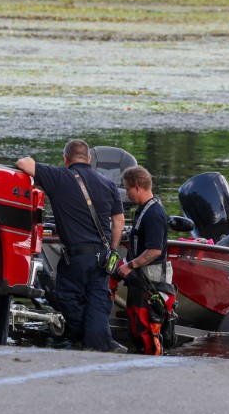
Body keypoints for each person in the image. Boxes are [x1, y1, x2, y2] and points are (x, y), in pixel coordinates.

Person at [17, 140, 126, 353]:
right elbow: (119, 221)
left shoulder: (59, 176)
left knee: (66, 296)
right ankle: (98, 342)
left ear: (65, 159)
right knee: (98, 300)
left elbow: (24, 163)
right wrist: (112, 250)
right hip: (102, 256)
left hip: (77, 257)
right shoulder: (108, 183)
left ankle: (87, 340)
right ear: (89, 158)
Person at [117, 165, 173, 355]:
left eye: (127, 188)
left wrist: (130, 265)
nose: (126, 193)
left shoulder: (154, 214)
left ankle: (152, 362)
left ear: (138, 186)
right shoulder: (143, 210)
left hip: (151, 281)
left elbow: (155, 250)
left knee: (147, 326)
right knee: (136, 322)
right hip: (139, 278)